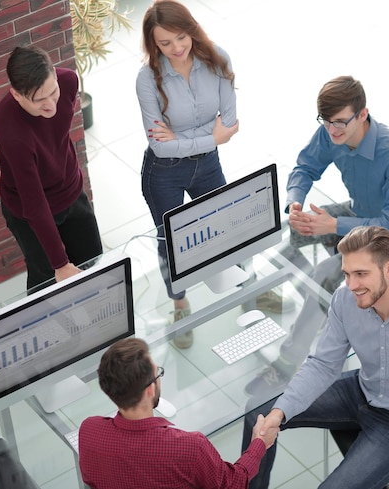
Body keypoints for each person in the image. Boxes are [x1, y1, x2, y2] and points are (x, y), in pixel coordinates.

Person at [242, 225, 389, 489]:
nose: (352, 285)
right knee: (260, 414)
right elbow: (323, 365)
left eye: (361, 274)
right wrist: (280, 411)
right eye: (347, 274)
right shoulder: (344, 299)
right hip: (359, 390)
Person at [246, 75, 389, 393]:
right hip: (359, 213)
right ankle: (318, 306)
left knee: (324, 274)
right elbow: (304, 167)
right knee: (289, 232)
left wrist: (333, 227)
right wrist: (295, 203)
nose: (333, 131)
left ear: (363, 114)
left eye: (341, 123)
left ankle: (288, 362)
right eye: (326, 122)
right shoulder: (333, 129)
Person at [136, 0, 240, 349]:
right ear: (154, 45)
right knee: (171, 241)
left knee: (230, 223)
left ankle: (249, 288)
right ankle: (179, 302)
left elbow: (230, 123)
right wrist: (209, 137)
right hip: (163, 174)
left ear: (191, 29)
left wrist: (183, 138)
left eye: (181, 38)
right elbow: (160, 147)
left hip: (207, 164)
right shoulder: (147, 79)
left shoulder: (218, 60)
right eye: (165, 44)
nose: (176, 49)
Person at [78, 337, 279, 489]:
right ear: (150, 390)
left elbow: (90, 480)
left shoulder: (89, 431)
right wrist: (259, 444)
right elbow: (232, 484)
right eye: (158, 373)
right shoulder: (189, 448)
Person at [0, 45, 103, 292]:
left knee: (94, 260)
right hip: (29, 209)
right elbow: (34, 203)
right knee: (46, 279)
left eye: (52, 92)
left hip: (71, 192)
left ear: (54, 74)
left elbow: (55, 139)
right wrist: (61, 264)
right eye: (39, 100)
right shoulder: (11, 129)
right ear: (17, 95)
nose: (50, 105)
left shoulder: (68, 82)